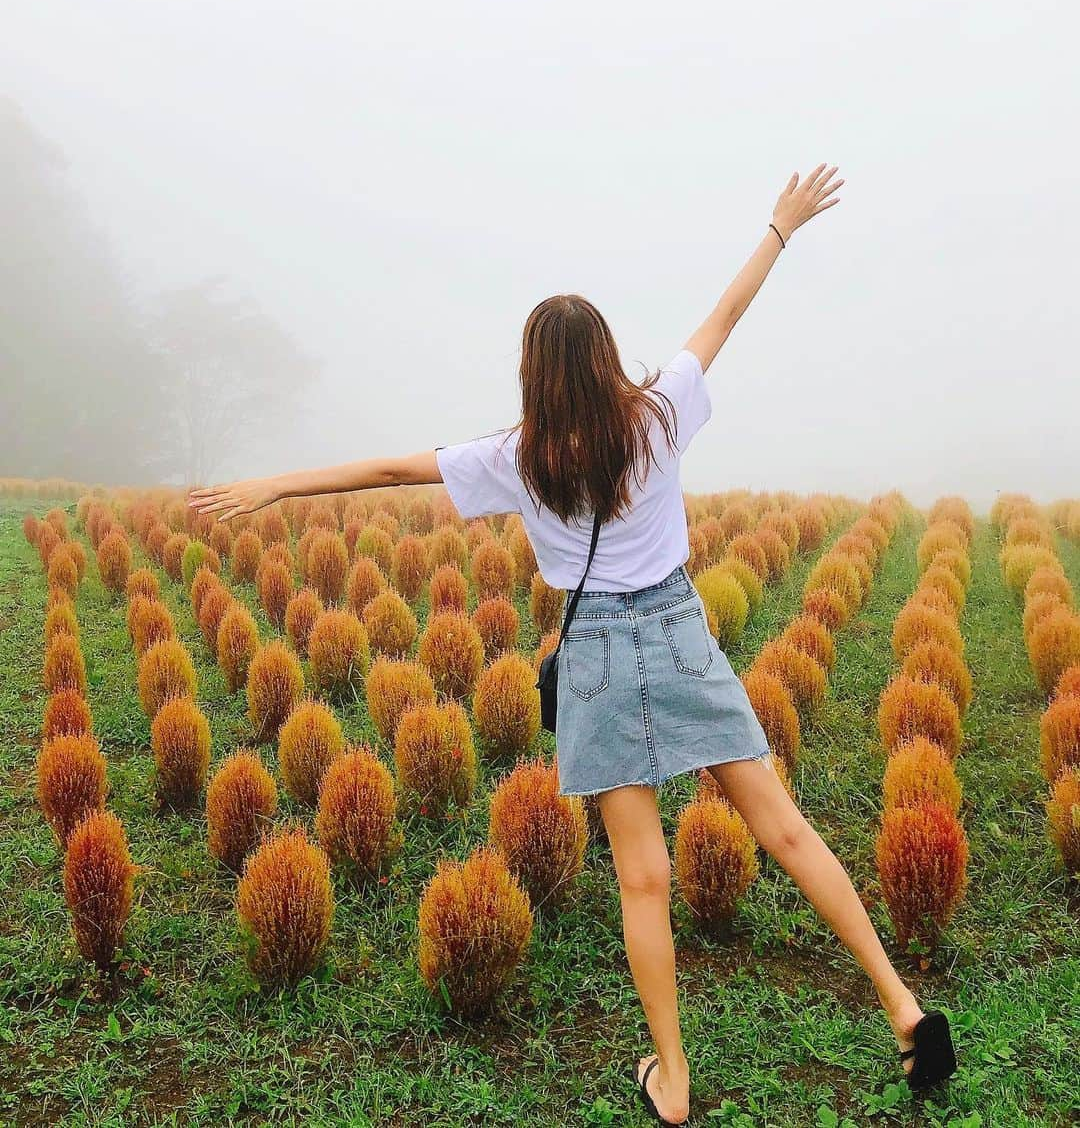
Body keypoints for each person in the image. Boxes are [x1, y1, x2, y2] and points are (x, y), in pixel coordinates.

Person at [190, 165, 955, 1124]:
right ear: (604, 357)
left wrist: (271, 486)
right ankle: (903, 1006)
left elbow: (390, 465)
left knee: (643, 875)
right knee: (786, 829)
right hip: (679, 632)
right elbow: (724, 316)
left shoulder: (518, 455)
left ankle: (673, 1082)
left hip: (592, 651)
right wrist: (779, 227)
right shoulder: (660, 415)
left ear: (533, 374)